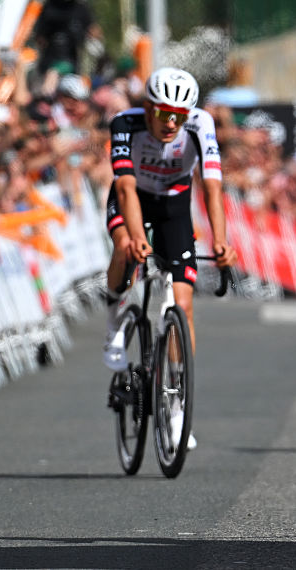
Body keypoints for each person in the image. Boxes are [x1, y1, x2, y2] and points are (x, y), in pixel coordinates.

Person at [103, 67, 238, 449]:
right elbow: (125, 188)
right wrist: (133, 236)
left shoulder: (200, 124)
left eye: (178, 117)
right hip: (133, 197)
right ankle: (114, 322)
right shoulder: (124, 124)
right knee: (124, 248)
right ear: (148, 109)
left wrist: (223, 242)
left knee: (184, 305)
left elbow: (212, 188)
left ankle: (177, 404)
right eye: (163, 114)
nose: (170, 123)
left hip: (173, 204)